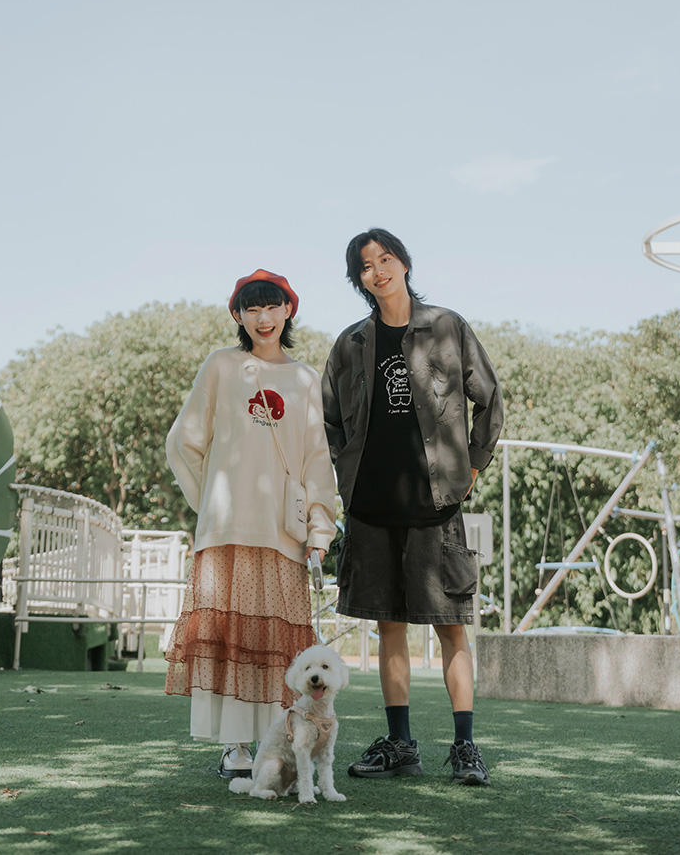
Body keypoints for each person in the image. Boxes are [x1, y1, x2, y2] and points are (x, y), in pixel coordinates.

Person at [322, 229, 503, 786]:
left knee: (452, 628)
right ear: (358, 279)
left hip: (436, 504)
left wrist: (473, 465)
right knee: (390, 628)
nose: (378, 270)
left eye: (386, 259)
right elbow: (328, 420)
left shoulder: (447, 327)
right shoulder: (350, 343)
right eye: (365, 266)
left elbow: (489, 399)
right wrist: (346, 478)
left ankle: (465, 747)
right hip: (372, 506)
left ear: (403, 263)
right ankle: (400, 744)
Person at [165, 269, 337, 779]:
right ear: (238, 316)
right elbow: (183, 442)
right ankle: (234, 747)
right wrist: (213, 503)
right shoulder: (221, 365)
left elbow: (317, 459)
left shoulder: (305, 378)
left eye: (272, 306)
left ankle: (274, 748)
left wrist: (320, 531)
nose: (263, 318)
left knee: (276, 644)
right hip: (227, 530)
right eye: (252, 308)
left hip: (283, 531)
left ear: (289, 310)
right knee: (230, 638)